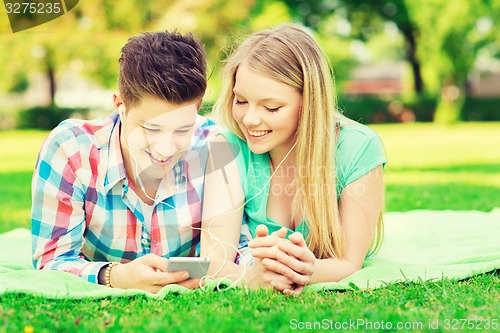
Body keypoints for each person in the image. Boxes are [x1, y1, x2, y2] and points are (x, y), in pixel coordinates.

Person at [30, 30, 243, 294]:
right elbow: (52, 260)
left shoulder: (217, 147)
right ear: (121, 105)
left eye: (182, 130)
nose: (166, 149)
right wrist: (116, 276)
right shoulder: (70, 149)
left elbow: (236, 251)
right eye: (152, 129)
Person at [213, 23, 386, 294]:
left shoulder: (359, 148)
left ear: (309, 103)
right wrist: (253, 277)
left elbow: (349, 261)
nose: (249, 119)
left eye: (271, 107)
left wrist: (307, 270)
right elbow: (215, 261)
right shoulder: (226, 148)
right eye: (241, 101)